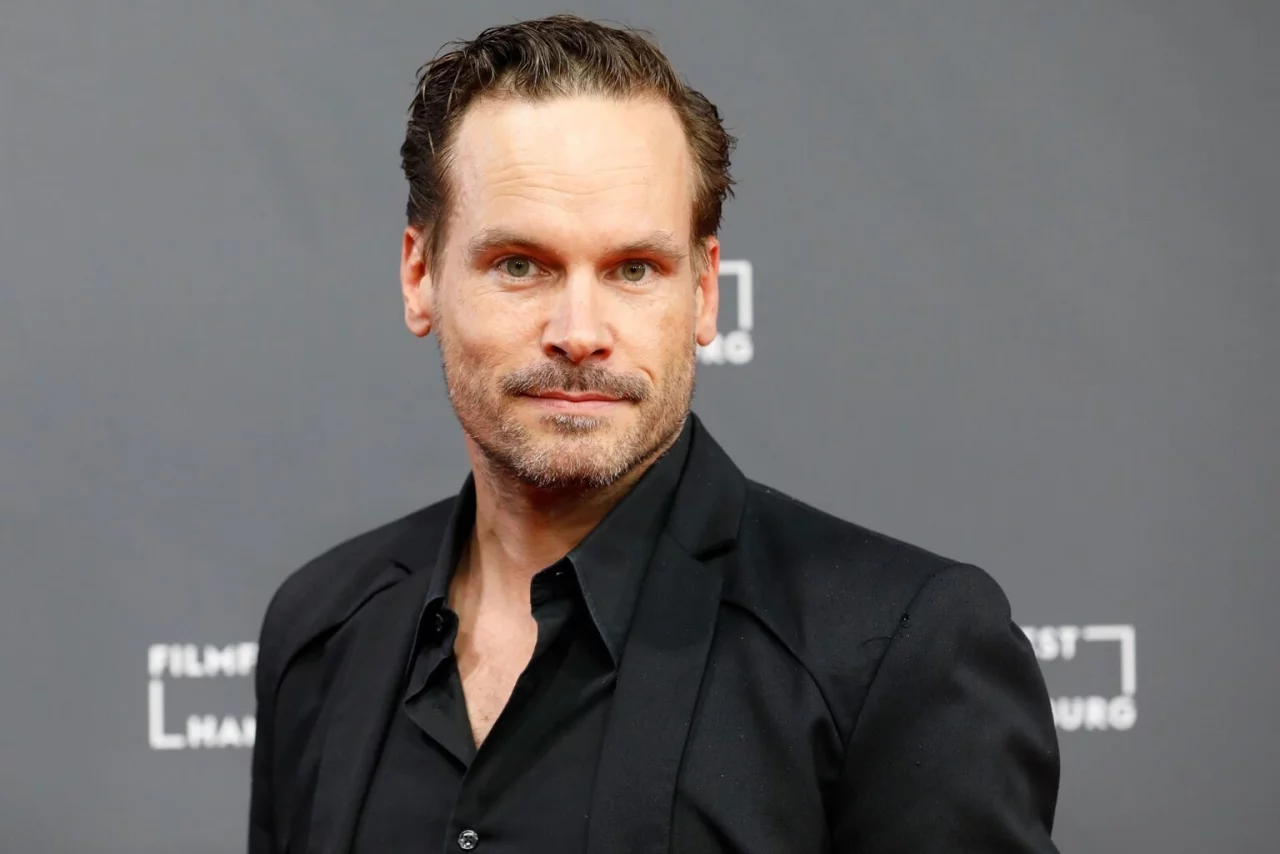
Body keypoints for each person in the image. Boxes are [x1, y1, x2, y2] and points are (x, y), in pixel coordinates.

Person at [247, 14, 1060, 854]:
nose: (579, 332)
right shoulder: (321, 628)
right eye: (520, 265)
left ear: (704, 293)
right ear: (420, 276)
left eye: (634, 269)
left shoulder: (899, 650)